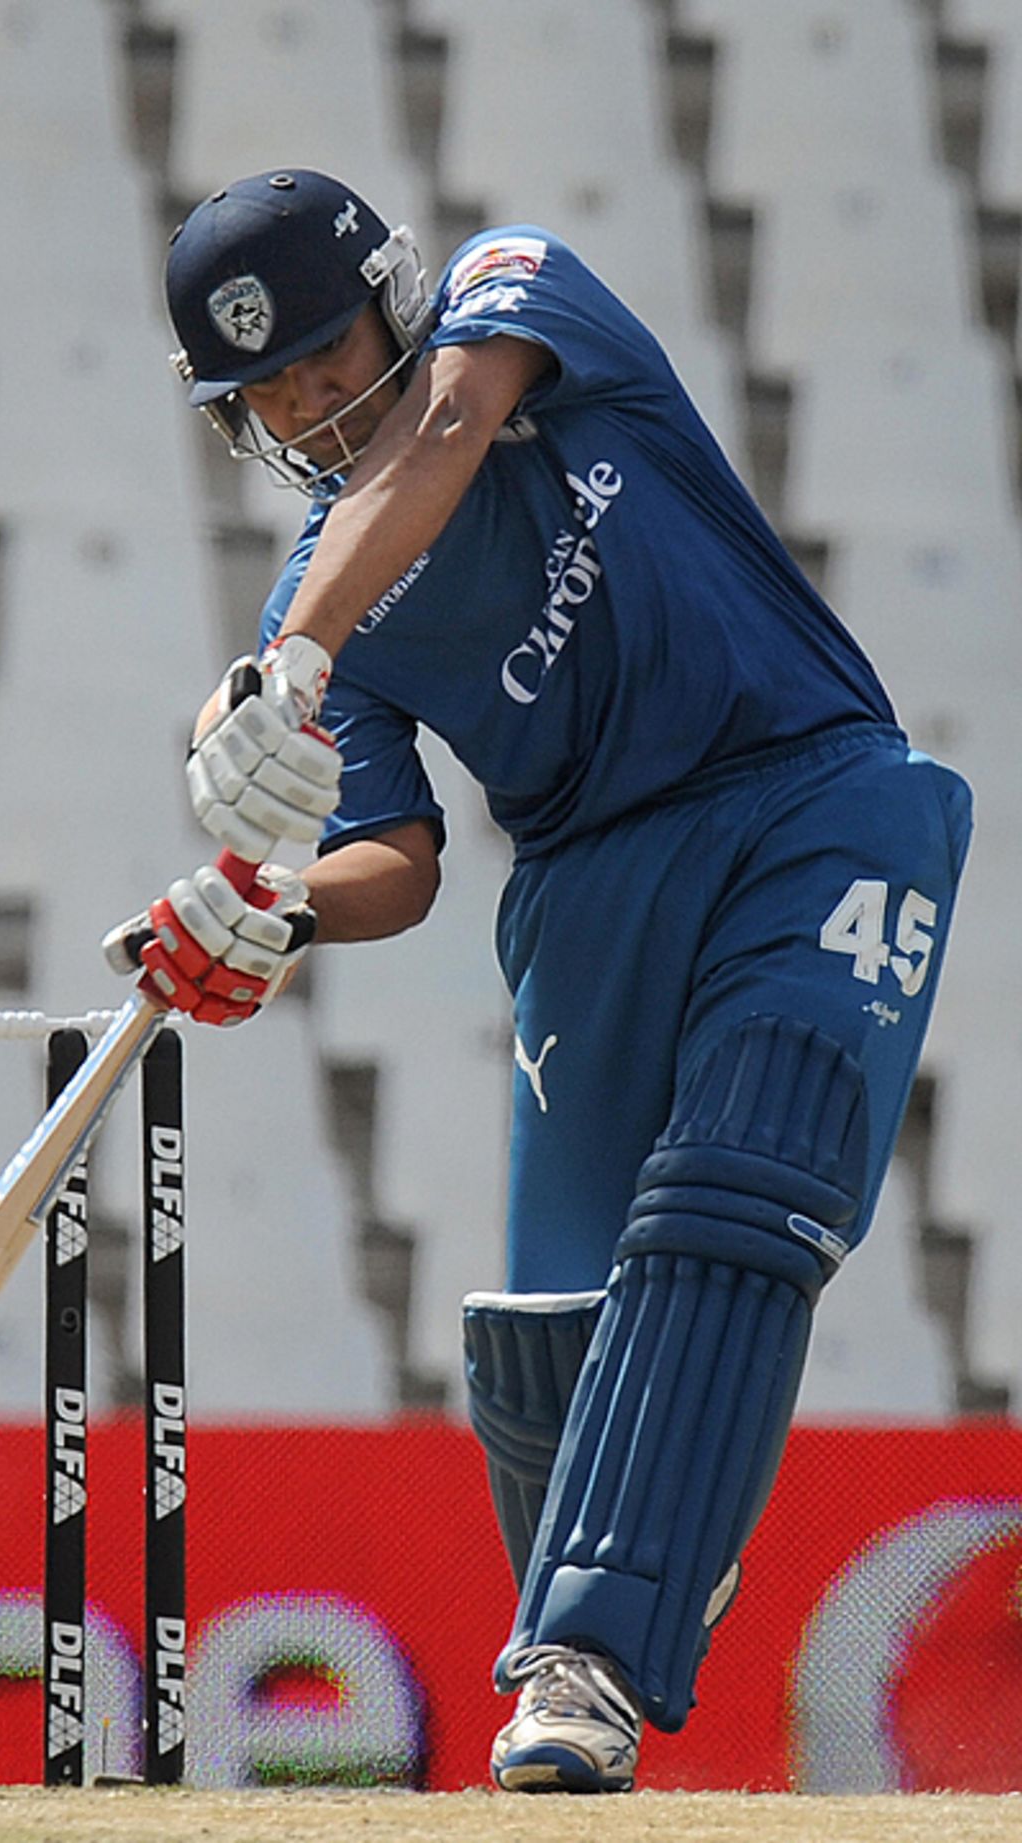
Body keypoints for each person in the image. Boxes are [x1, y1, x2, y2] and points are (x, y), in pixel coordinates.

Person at [104, 169, 973, 1793]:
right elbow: (400, 866)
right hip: (584, 888)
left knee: (738, 1185)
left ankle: (584, 1656)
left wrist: (289, 663)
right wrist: (267, 910)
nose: (306, 401)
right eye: (265, 390)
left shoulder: (516, 300)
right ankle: (595, 1717)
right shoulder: (320, 608)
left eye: (319, 349)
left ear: (396, 296)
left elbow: (438, 442)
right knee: (552, 1341)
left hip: (811, 792)